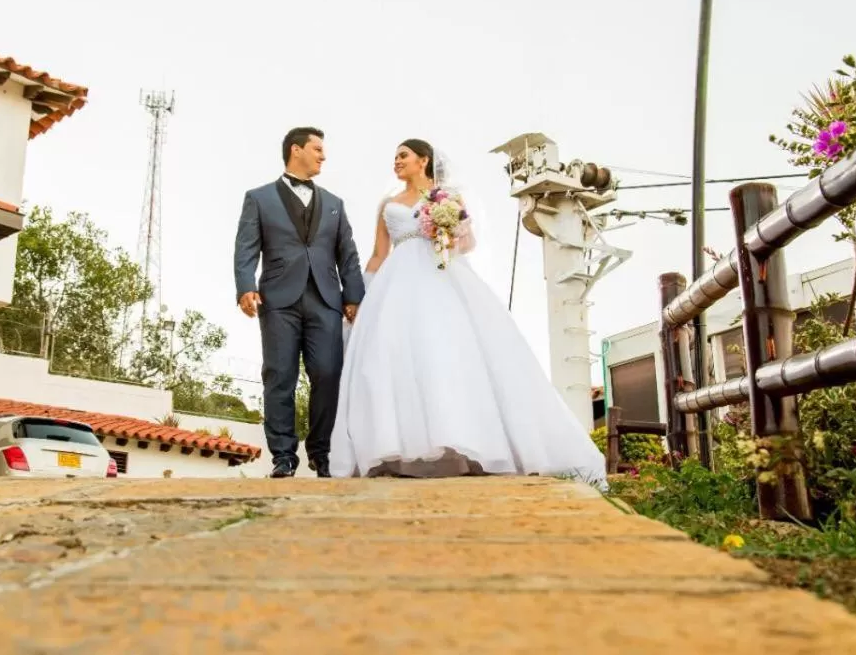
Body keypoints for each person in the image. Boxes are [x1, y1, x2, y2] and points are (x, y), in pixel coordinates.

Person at [329, 138, 607, 488]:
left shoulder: (446, 199)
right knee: (389, 356)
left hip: (440, 275)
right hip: (394, 283)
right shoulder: (388, 205)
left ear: (423, 160)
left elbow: (468, 243)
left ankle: (458, 441)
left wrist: (446, 232)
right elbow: (377, 253)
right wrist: (360, 295)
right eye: (395, 157)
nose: (396, 161)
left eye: (403, 155)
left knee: (444, 352)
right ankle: (394, 446)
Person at [234, 127, 366, 478]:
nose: (323, 156)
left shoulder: (335, 205)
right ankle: (283, 455)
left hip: (326, 299)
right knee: (280, 375)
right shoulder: (258, 198)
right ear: (296, 150)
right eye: (317, 149)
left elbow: (347, 256)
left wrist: (353, 296)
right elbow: (246, 247)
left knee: (327, 372)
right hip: (278, 299)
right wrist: (245, 286)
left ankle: (320, 452)